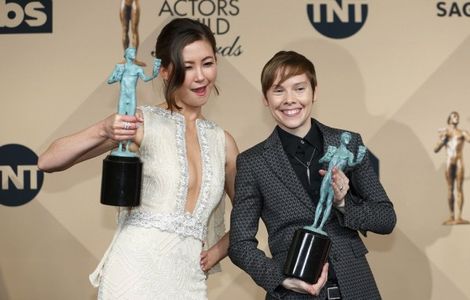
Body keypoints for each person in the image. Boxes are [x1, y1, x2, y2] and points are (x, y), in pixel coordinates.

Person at [38, 18, 239, 299]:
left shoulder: (223, 143)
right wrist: (103, 128)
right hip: (133, 273)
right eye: (187, 67)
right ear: (166, 72)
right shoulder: (142, 122)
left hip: (188, 279)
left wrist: (217, 252)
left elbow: (246, 215)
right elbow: (48, 161)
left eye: (207, 63)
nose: (200, 76)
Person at [228, 50, 396, 299]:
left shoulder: (347, 144)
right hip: (294, 293)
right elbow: (240, 244)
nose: (289, 99)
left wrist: (342, 203)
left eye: (299, 88)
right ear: (265, 98)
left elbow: (385, 218)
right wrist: (281, 278)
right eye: (278, 90)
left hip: (356, 286)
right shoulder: (253, 162)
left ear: (314, 92)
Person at [108, 47, 160, 153]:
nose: (133, 54)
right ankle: (119, 148)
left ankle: (126, 149)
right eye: (131, 52)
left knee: (130, 124)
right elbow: (110, 80)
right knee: (121, 123)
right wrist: (117, 76)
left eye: (134, 52)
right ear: (126, 54)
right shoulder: (120, 67)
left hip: (131, 97)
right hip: (123, 97)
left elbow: (146, 79)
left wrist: (155, 72)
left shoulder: (137, 69)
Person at [434, 111, 470, 225]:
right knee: (450, 188)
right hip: (450, 162)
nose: (456, 118)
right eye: (454, 116)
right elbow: (436, 149)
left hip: (459, 161)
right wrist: (443, 139)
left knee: (459, 188)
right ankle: (451, 216)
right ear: (449, 119)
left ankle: (458, 217)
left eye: (457, 116)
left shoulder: (462, 132)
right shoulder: (446, 133)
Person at [120, 0, 145, 66]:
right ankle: (126, 58)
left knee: (134, 30)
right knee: (125, 29)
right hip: (124, 3)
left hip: (134, 2)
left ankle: (133, 58)